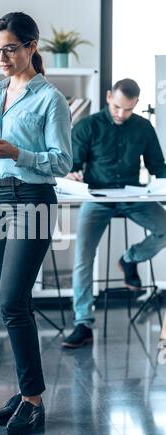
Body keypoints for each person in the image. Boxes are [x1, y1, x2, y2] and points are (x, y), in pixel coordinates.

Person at [0, 12, 72, 435]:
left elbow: (61, 161)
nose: (3, 57)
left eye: (11, 48)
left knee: (12, 301)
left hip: (32, 201)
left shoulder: (51, 100)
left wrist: (15, 153)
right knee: (14, 305)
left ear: (31, 46)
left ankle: (33, 401)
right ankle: (24, 393)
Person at [62, 78, 166, 349]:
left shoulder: (143, 128)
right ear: (109, 97)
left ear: (136, 106)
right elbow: (72, 164)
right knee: (83, 256)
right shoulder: (88, 126)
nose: (121, 114)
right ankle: (83, 322)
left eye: (128, 110)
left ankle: (129, 259)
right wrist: (72, 174)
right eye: (118, 107)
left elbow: (158, 166)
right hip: (96, 198)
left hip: (133, 196)